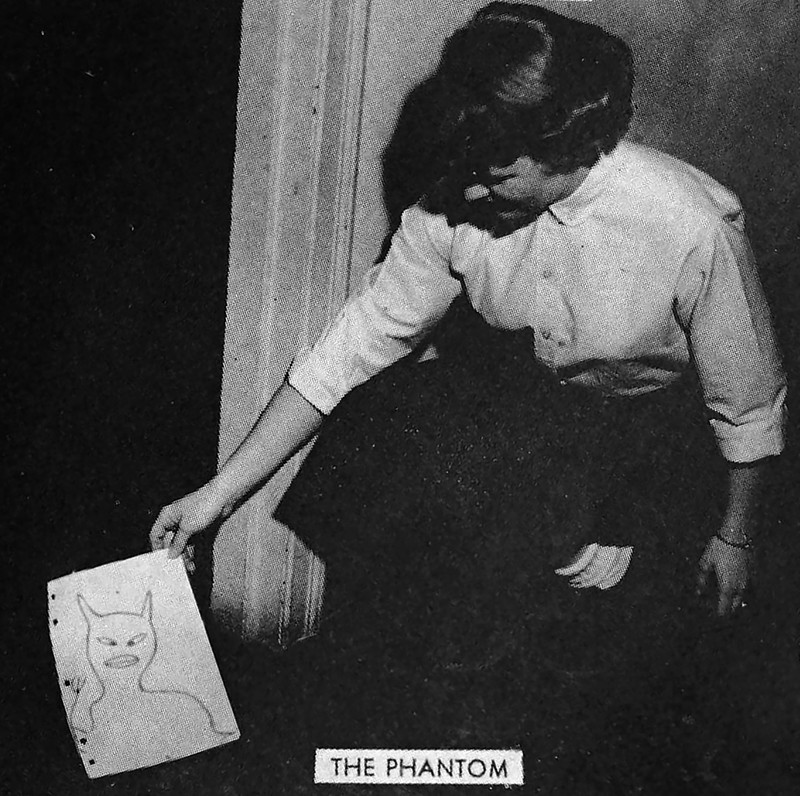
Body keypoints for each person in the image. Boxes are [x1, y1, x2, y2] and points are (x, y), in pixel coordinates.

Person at [151, 0, 785, 695]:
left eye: (496, 174)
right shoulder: (457, 199)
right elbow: (348, 350)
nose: (471, 191)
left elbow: (748, 405)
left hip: (660, 433)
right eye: (467, 166)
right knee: (390, 413)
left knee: (606, 643)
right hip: (541, 413)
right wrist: (217, 496)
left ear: (569, 145)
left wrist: (735, 537)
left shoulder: (689, 225)